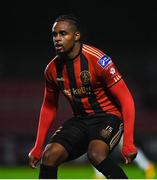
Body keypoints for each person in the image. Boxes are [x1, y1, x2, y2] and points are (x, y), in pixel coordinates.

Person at [28, 14, 138, 179]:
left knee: (96, 154)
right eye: (54, 34)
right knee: (49, 155)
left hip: (107, 118)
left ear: (76, 36)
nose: (57, 38)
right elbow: (49, 107)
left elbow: (126, 99)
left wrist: (128, 142)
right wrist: (38, 147)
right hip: (80, 120)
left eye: (63, 33)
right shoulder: (51, 70)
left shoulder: (98, 59)